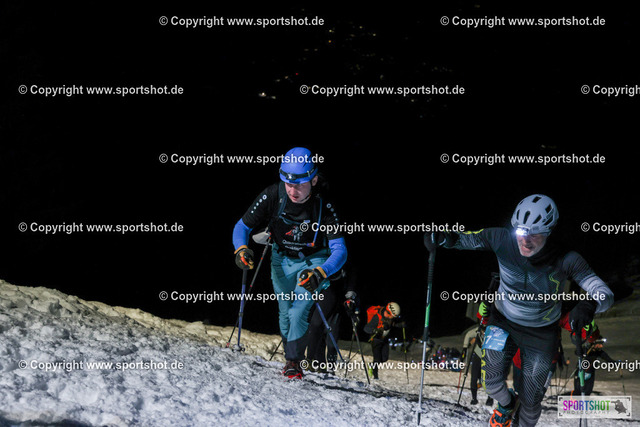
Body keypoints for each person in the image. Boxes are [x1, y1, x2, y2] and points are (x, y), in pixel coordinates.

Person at [424, 194, 614, 427]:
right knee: (491, 382)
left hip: (541, 333)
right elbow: (465, 238)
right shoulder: (501, 238)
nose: (525, 240)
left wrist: (589, 304)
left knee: (531, 402)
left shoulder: (566, 258)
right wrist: (444, 238)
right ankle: (506, 405)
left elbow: (604, 293)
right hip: (502, 321)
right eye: (521, 232)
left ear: (549, 231)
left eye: (535, 234)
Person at [232, 147, 347, 379]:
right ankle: (290, 356)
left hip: (313, 261)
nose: (293, 191)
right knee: (285, 312)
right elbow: (242, 226)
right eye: (288, 183)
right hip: (281, 260)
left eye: (300, 184)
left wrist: (321, 272)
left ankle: (294, 361)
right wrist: (241, 249)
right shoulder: (273, 195)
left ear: (313, 180)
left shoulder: (324, 205)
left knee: (298, 312)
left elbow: (340, 250)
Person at [363, 302, 404, 379]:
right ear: (389, 312)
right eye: (393, 316)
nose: (392, 318)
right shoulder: (377, 317)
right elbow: (366, 329)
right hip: (375, 339)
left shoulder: (389, 318)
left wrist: (400, 325)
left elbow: (391, 325)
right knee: (377, 359)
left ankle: (372, 365)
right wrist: (376, 330)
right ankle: (375, 376)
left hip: (384, 338)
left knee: (384, 358)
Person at [462, 305, 493, 406]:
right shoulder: (477, 330)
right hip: (478, 354)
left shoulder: (492, 329)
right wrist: (464, 348)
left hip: (489, 356)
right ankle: (474, 398)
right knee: (474, 376)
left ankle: (490, 398)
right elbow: (468, 335)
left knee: (489, 377)